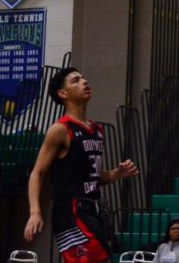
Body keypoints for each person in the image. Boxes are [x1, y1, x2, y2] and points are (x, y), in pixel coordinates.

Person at [23, 67, 139, 262]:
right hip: (70, 211)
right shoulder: (60, 129)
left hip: (93, 209)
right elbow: (37, 173)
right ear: (63, 94)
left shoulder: (96, 129)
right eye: (76, 80)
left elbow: (92, 176)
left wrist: (117, 173)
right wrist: (35, 212)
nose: (84, 81)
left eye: (84, 78)